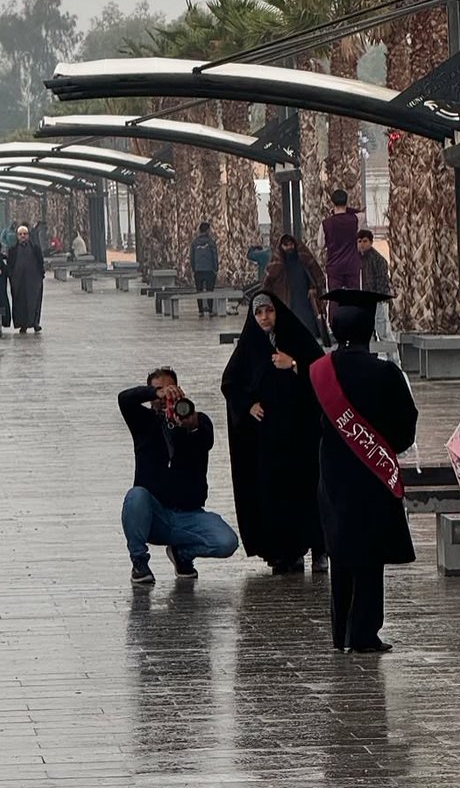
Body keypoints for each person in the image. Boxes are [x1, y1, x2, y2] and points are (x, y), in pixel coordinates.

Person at [309, 289, 418, 653]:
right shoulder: (385, 373)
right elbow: (405, 426)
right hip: (372, 475)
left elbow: (309, 423)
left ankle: (340, 631)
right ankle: (364, 633)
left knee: (340, 552)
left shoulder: (319, 372)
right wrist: (387, 446)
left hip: (333, 474)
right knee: (370, 556)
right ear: (370, 330)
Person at [221, 291, 326, 574]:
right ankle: (285, 553)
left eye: (269, 311)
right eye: (259, 313)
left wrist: (294, 364)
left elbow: (322, 373)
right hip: (268, 440)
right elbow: (230, 383)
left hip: (301, 436)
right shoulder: (249, 346)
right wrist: (248, 405)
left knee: (308, 491)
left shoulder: (297, 339)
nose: (264, 317)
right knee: (275, 495)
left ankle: (319, 549)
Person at [119, 366, 238, 585]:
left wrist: (190, 427)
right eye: (160, 392)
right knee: (135, 496)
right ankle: (139, 562)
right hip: (154, 515)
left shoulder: (197, 420)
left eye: (170, 389)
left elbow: (206, 440)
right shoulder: (143, 421)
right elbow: (124, 399)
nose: (166, 397)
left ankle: (182, 555)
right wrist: (155, 393)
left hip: (188, 515)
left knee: (227, 541)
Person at [262, 233, 325, 341]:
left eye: (291, 244)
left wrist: (313, 288)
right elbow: (268, 282)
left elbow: (315, 274)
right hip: (284, 300)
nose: (289, 248)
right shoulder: (277, 263)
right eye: (286, 245)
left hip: (304, 300)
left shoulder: (303, 258)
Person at [357, 229, 400, 364]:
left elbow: (382, 282)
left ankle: (395, 363)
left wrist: (379, 300)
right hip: (365, 303)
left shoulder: (378, 259)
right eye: (359, 241)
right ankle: (370, 363)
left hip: (378, 303)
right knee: (367, 335)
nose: (362, 244)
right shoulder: (358, 260)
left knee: (384, 333)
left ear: (371, 242)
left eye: (365, 241)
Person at [318, 189, 362, 294]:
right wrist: (348, 210)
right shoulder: (355, 219)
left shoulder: (326, 224)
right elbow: (361, 213)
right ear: (346, 202)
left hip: (334, 267)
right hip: (352, 265)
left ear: (332, 203)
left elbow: (320, 244)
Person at [7, 224, 45, 333]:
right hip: (18, 281)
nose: (23, 236)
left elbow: (40, 263)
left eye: (25, 234)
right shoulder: (13, 251)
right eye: (20, 234)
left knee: (34, 302)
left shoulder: (35, 249)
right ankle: (22, 324)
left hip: (33, 281)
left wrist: (40, 275)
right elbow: (10, 265)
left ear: (28, 235)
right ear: (17, 236)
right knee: (20, 303)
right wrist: (12, 276)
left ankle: (35, 323)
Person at [189, 221, 219, 317]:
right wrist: (216, 268)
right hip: (209, 270)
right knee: (210, 290)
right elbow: (214, 256)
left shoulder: (194, 243)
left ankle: (200, 311)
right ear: (207, 231)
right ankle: (210, 310)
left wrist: (194, 268)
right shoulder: (211, 242)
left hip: (198, 270)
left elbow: (192, 257)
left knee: (199, 291)